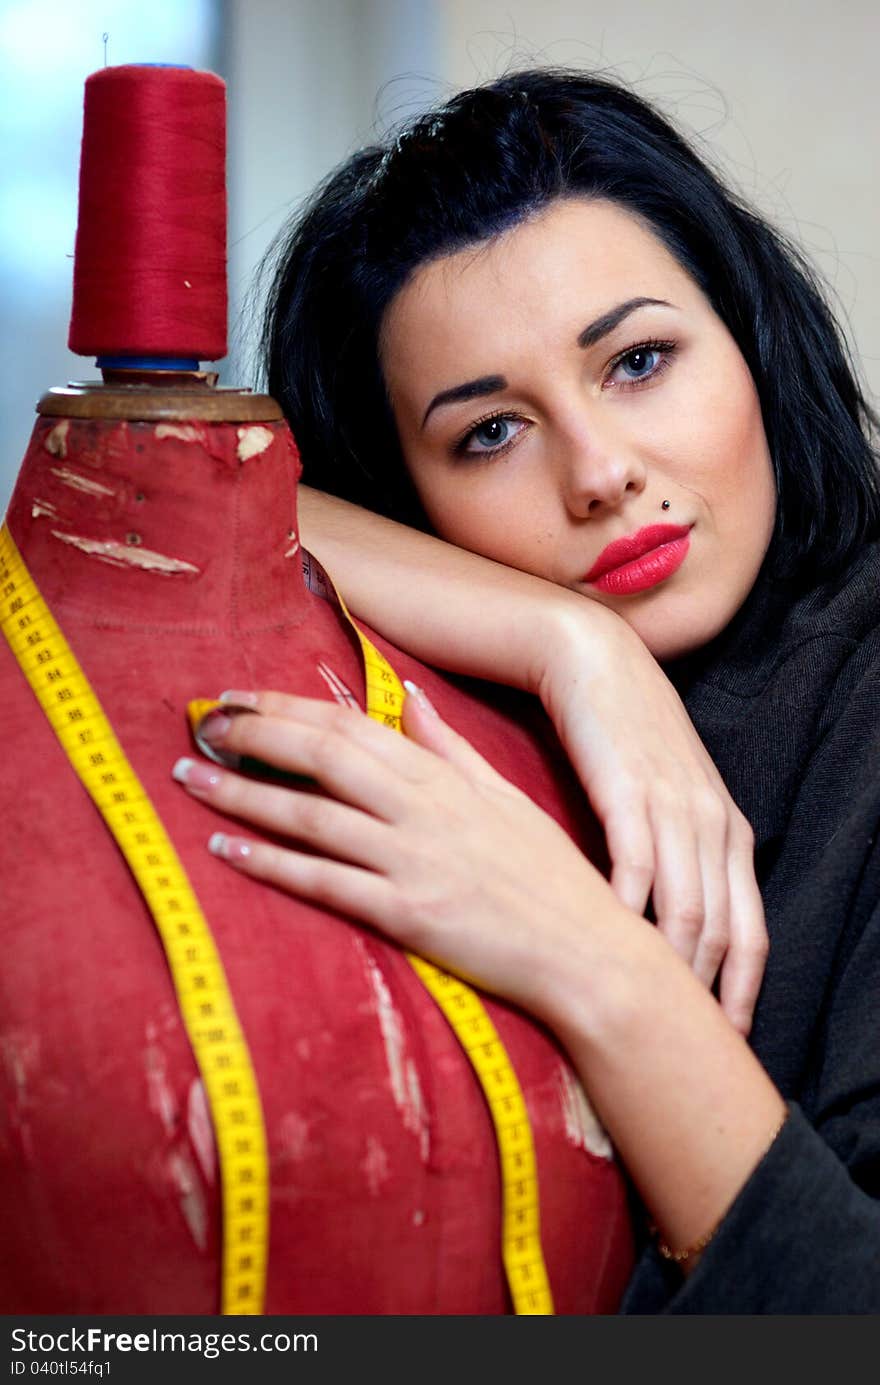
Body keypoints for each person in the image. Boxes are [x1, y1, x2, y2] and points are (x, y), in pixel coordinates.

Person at [172, 69, 880, 1310]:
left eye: (640, 359)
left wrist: (586, 956)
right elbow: (178, 487)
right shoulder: (444, 690)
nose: (601, 472)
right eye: (489, 433)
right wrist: (574, 646)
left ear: (751, 338)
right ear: (405, 491)